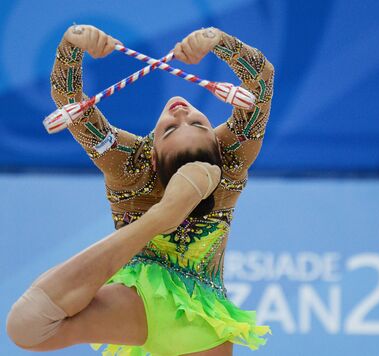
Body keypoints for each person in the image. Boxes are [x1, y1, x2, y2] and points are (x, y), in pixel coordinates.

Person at [6, 23, 274, 356]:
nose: (183, 114)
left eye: (182, 126)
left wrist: (71, 46)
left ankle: (157, 219)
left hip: (139, 305)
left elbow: (68, 99)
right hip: (200, 322)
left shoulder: (128, 163)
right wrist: (219, 42)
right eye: (193, 123)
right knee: (28, 324)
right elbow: (261, 81)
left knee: (27, 324)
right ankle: (162, 216)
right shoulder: (230, 159)